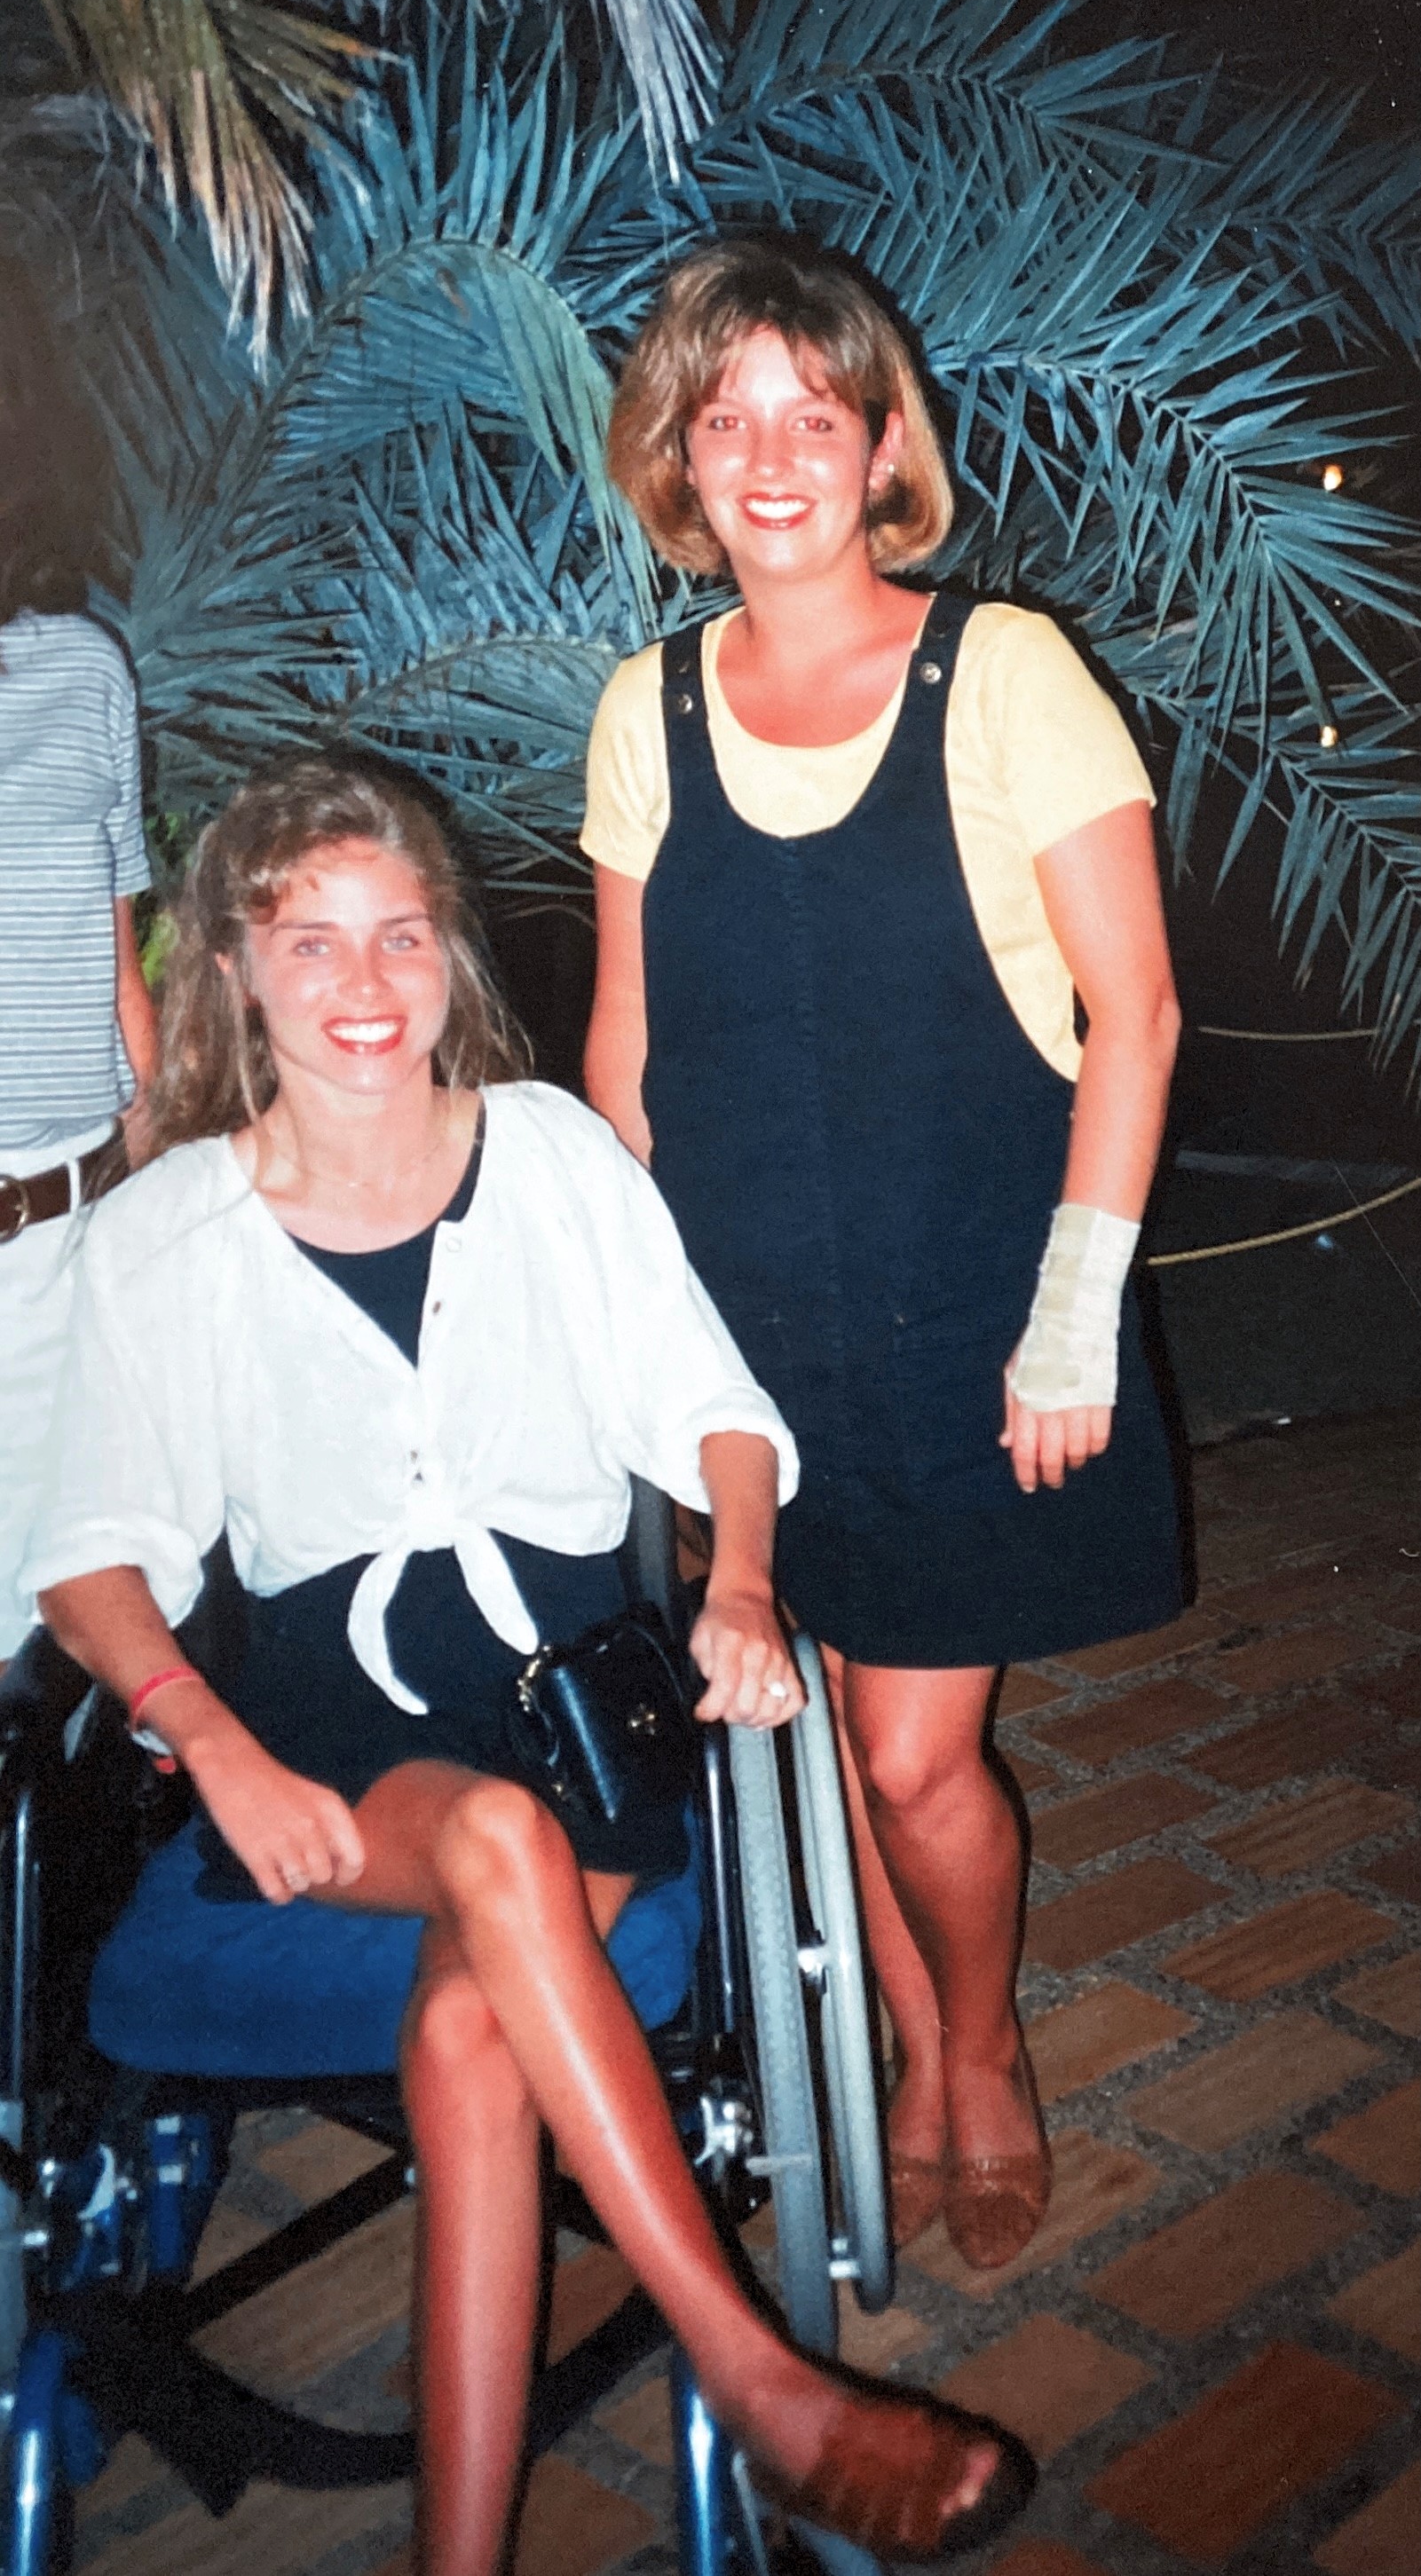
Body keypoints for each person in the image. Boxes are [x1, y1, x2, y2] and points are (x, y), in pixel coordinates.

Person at [25, 759, 1033, 2576]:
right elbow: (89, 1552)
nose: (362, 975)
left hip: (587, 1702)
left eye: (401, 931)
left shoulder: (553, 1152)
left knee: (476, 2016)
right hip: (342, 1742)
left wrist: (737, 1582)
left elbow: (713, 1403)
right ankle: (764, 2379)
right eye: (309, 935)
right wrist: (206, 1738)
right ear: (233, 968)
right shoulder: (163, 1231)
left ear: (449, 958)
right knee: (483, 1849)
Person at [584, 237, 1185, 2269]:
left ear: (877, 445)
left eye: (808, 417)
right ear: (674, 455)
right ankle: (922, 2044)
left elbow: (1139, 1015)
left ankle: (982, 2044)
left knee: (920, 1754)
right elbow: (626, 1060)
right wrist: (636, 1356)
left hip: (970, 1319)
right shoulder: (644, 709)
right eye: (721, 416)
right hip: (751, 1340)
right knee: (829, 1723)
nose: (766, 457)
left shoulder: (1002, 672)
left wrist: (1075, 1314)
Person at [0, 507, 157, 1667]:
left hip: (60, 1239)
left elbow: (117, 969)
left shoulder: (81, 665)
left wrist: (164, 1204)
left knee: (28, 1645)